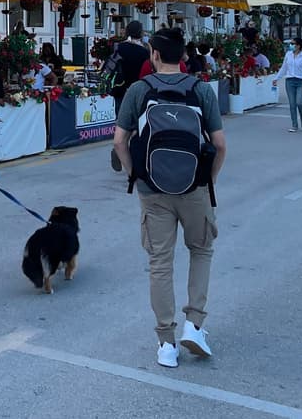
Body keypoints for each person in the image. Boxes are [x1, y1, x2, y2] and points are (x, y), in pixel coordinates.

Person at [111, 27, 226, 369]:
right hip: (195, 187)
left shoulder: (139, 90)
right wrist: (208, 179)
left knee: (160, 263)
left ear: (155, 55)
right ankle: (194, 324)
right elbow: (220, 145)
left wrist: (136, 173)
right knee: (201, 251)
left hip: (152, 190)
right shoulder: (201, 89)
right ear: (184, 56)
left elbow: (119, 140)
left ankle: (165, 342)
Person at [109, 21, 153, 172]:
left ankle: (119, 146)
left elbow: (109, 67)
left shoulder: (119, 47)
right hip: (139, 91)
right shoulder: (144, 52)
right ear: (140, 33)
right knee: (138, 125)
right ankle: (132, 154)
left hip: (121, 89)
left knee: (122, 121)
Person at [274, 37, 302, 132]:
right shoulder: (288, 55)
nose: (291, 45)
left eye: (293, 44)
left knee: (299, 102)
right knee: (292, 104)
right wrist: (276, 78)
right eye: (291, 44)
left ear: (298, 46)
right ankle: (294, 125)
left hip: (301, 81)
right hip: (290, 81)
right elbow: (284, 68)